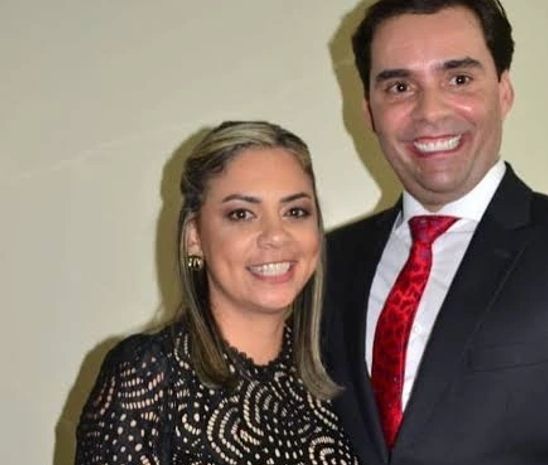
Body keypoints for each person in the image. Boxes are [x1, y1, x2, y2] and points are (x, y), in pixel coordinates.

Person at [324, 1, 548, 464]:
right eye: (400, 87)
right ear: (369, 112)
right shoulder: (326, 264)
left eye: (459, 79)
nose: (429, 112)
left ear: (504, 92)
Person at [75, 121, 360, 465]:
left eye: (295, 212)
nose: (275, 235)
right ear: (194, 237)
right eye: (242, 214)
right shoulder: (148, 374)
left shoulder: (337, 376)